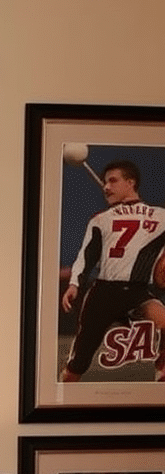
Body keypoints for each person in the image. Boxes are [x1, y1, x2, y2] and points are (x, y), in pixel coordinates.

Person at [60, 161, 165, 381]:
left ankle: (161, 376)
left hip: (137, 292)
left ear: (131, 182)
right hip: (103, 294)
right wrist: (74, 284)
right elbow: (86, 257)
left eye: (113, 181)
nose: (106, 186)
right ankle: (60, 397)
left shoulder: (160, 216)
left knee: (163, 320)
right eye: (105, 181)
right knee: (78, 364)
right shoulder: (101, 219)